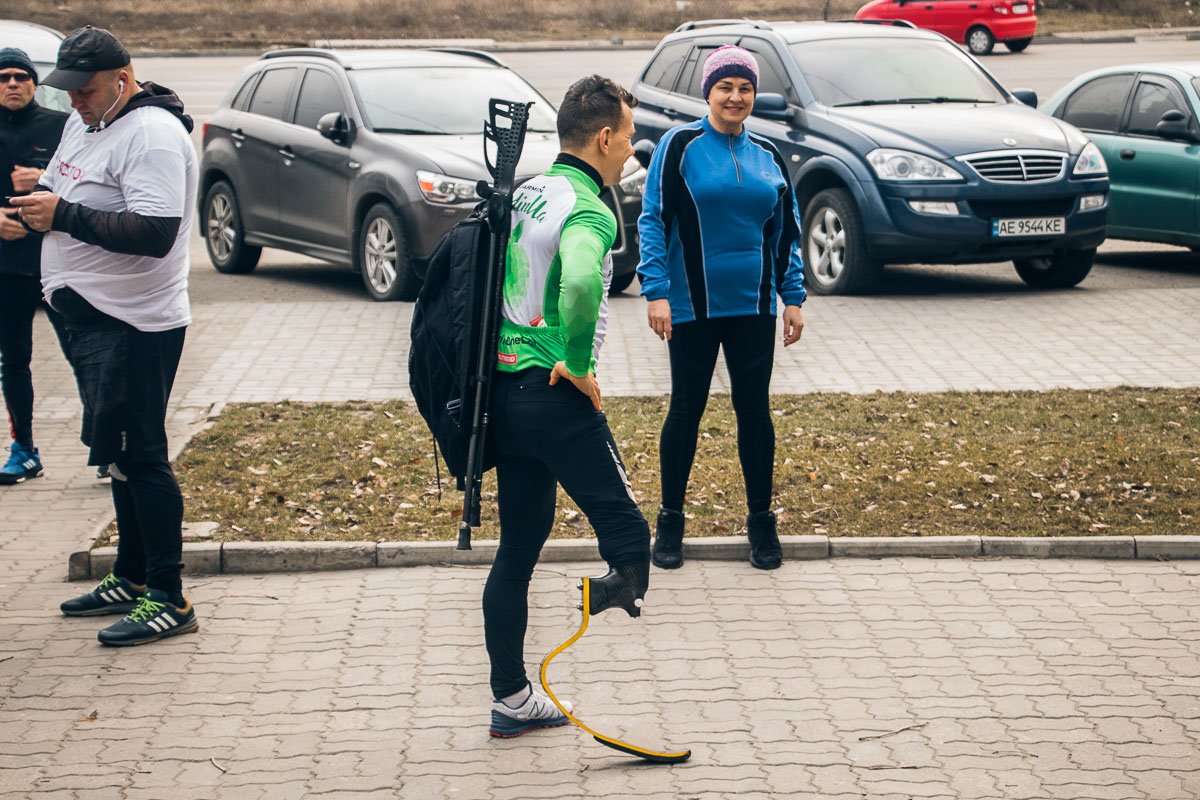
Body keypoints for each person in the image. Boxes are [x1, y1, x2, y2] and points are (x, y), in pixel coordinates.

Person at [11, 26, 200, 646]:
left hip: (134, 322)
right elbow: (68, 189)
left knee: (141, 455)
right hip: (89, 316)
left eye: (87, 91)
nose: (76, 102)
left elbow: (154, 232)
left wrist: (60, 215)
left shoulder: (151, 135)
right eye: (68, 91)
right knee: (117, 454)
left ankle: (168, 597)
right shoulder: (87, 121)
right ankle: (131, 572)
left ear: (122, 79)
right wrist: (32, 211)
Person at [484, 75, 651, 738]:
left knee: (518, 548)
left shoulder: (526, 192)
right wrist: (578, 368)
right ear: (604, 137)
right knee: (630, 538)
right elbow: (582, 280)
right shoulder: (589, 206)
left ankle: (511, 698)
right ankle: (606, 590)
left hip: (505, 394)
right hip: (554, 395)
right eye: (629, 138)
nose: (629, 151)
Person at [637, 45, 807, 572]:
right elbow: (652, 218)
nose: (735, 97)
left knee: (754, 412)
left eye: (745, 88)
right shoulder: (680, 145)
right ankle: (669, 523)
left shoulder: (769, 156)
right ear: (708, 92)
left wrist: (793, 296)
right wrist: (656, 290)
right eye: (725, 87)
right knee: (686, 410)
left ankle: (761, 524)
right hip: (690, 307)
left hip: (753, 307)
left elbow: (787, 232)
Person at [0, 47, 69, 485]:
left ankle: (102, 446)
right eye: (4, 77)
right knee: (14, 361)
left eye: (21, 77)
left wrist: (43, 176)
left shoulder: (61, 127)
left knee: (84, 355)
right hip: (7, 271)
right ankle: (24, 448)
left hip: (57, 265)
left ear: (34, 83)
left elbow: (88, 185)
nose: (12, 84)